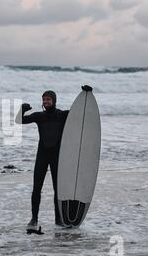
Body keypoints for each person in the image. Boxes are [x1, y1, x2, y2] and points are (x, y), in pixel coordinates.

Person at [16, 85, 92, 230]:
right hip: (42, 156)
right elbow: (19, 120)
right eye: (44, 99)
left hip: (58, 157)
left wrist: (86, 94)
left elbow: (82, 113)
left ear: (54, 100)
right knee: (36, 188)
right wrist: (22, 109)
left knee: (59, 190)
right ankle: (34, 219)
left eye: (48, 99)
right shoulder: (39, 116)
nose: (46, 101)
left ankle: (59, 219)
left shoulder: (62, 115)